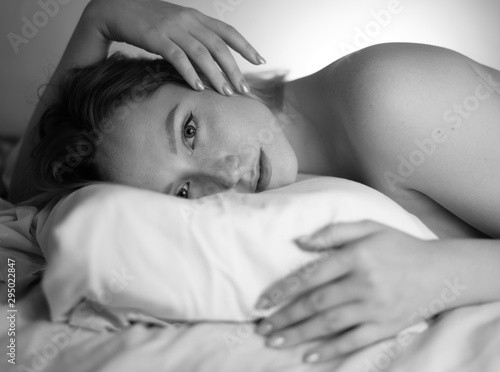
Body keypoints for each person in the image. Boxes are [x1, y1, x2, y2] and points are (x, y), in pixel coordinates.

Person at [10, 0, 500, 365]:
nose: (222, 176)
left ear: (203, 70)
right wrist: (98, 19)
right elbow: (27, 199)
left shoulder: (390, 100)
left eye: (189, 130)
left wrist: (438, 271)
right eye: (182, 192)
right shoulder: (280, 185)